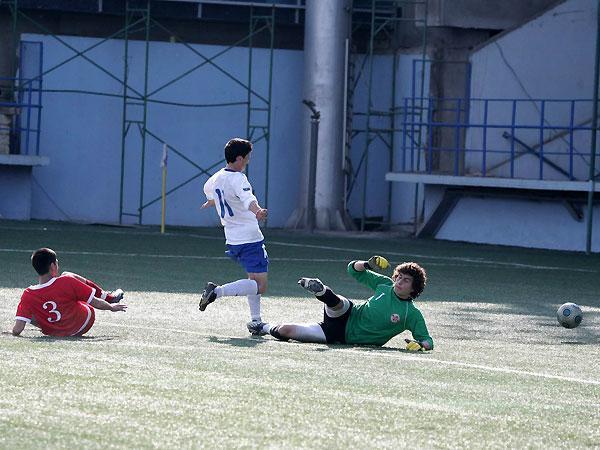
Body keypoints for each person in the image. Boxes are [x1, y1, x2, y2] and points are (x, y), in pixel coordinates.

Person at [248, 256, 434, 351]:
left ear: (414, 288)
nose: (399, 282)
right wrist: (367, 264)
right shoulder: (385, 285)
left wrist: (421, 345)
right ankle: (322, 292)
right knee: (339, 304)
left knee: (285, 330)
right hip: (348, 314)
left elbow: (428, 340)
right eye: (399, 277)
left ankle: (262, 327)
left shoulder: (411, 314)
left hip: (335, 335)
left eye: (406, 280)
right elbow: (353, 269)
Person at [199, 137, 269, 335]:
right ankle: (217, 292)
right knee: (260, 285)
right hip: (250, 237)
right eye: (247, 158)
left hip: (232, 238)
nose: (248, 161)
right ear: (239, 158)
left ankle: (256, 321)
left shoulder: (216, 178)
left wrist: (212, 201)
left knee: (252, 280)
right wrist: (258, 211)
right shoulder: (239, 178)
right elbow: (248, 199)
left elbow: (209, 190)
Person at [12, 248, 127, 337]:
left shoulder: (28, 293)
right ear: (52, 266)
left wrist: (11, 332)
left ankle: (51, 326)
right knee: (67, 275)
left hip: (54, 332)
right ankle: (109, 297)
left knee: (28, 312)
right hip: (83, 322)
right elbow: (94, 302)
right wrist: (111, 307)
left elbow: (17, 329)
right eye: (57, 263)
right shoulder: (66, 281)